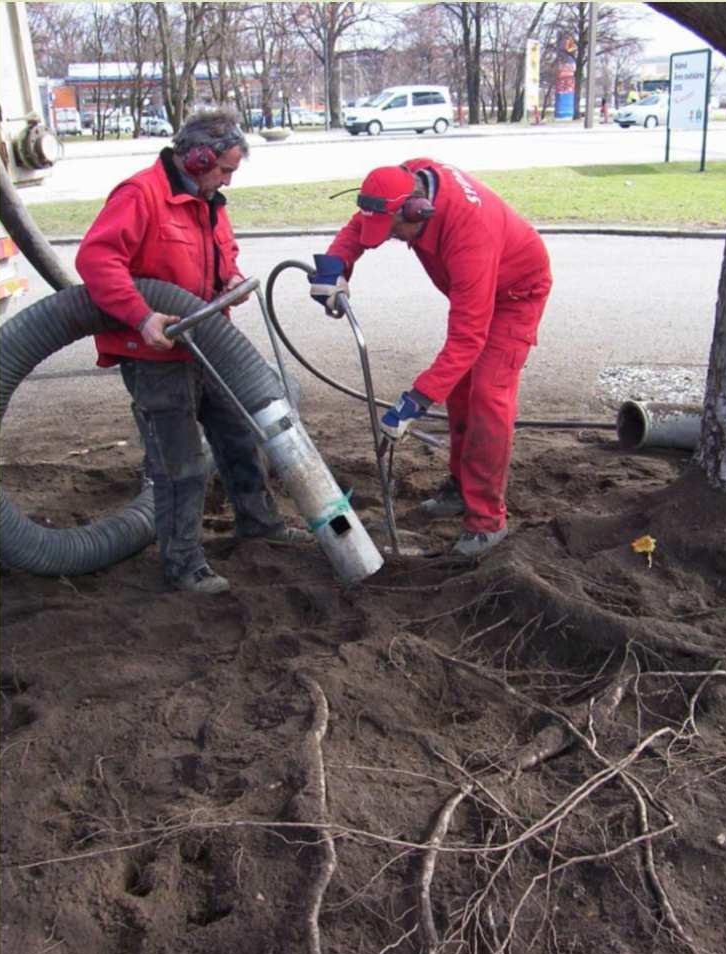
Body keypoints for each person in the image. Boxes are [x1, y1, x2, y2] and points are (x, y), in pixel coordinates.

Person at [76, 107, 306, 596]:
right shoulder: (141, 195)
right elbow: (97, 259)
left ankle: (259, 524)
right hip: (155, 355)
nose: (228, 180)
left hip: (206, 348)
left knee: (240, 436)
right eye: (224, 169)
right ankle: (183, 563)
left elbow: (223, 253)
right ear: (197, 156)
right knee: (178, 464)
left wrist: (229, 282)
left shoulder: (208, 200)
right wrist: (142, 314)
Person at [308, 160, 552, 557]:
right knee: (458, 391)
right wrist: (335, 268)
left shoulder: (470, 233)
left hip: (515, 295)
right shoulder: (405, 183)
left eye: (394, 232)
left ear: (419, 212)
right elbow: (361, 225)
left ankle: (487, 523)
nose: (390, 240)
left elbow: (468, 339)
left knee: (488, 396)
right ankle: (460, 488)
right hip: (473, 289)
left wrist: (414, 402)